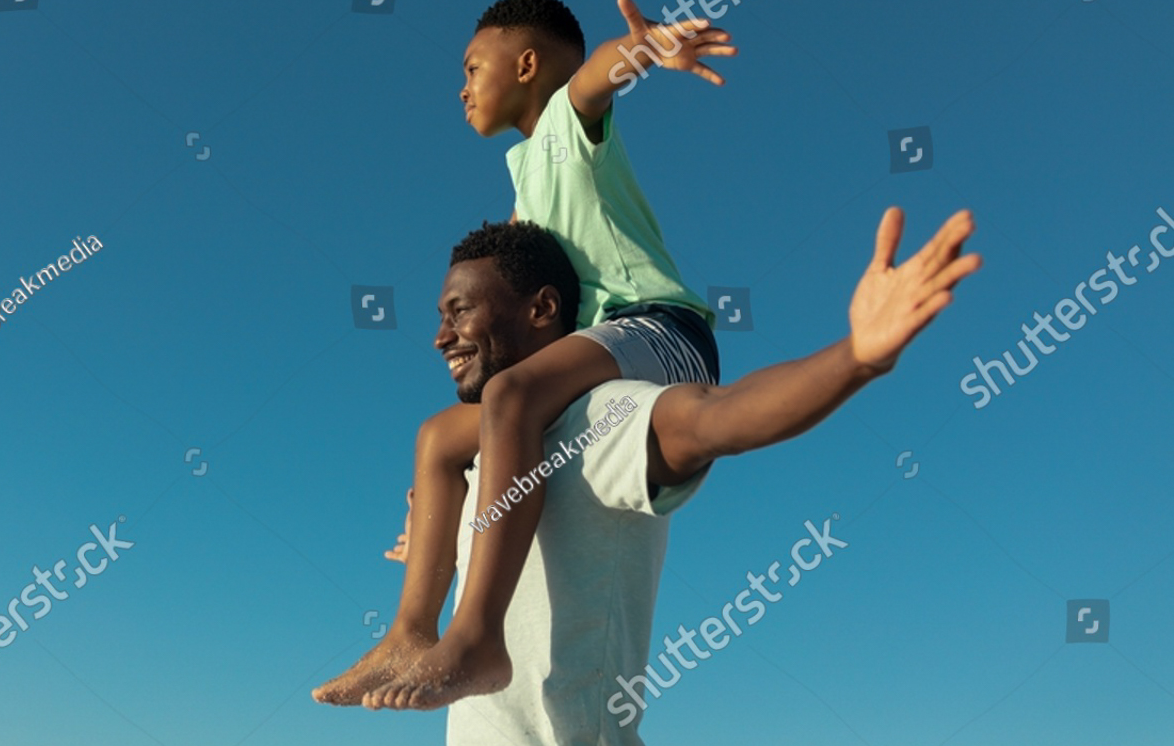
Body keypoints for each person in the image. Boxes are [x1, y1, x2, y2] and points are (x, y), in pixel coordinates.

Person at [322, 208, 980, 740]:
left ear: (542, 309)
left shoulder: (600, 415)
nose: (441, 335)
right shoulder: (478, 458)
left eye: (459, 310)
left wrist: (853, 359)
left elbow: (715, 417)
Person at [315, 0, 736, 709]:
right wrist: (449, 502)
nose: (461, 86)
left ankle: (478, 637)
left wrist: (645, 49)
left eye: (473, 67)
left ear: (528, 64)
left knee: (508, 396)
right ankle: (411, 628)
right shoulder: (521, 185)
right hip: (597, 351)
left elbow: (597, 75)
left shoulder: (564, 132)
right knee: (442, 437)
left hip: (659, 330)